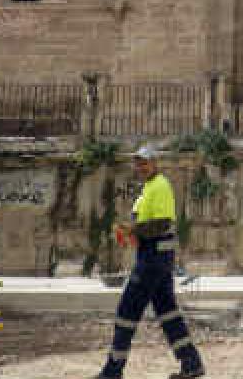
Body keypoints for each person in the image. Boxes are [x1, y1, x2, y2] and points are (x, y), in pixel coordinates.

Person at [95, 145, 204, 379]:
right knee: (167, 311)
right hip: (156, 256)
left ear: (155, 163)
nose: (141, 167)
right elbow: (148, 226)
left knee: (127, 310)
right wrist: (131, 234)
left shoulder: (160, 185)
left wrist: (132, 229)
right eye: (138, 163)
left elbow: (162, 223)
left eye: (145, 162)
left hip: (153, 259)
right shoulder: (148, 188)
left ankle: (113, 371)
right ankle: (191, 363)